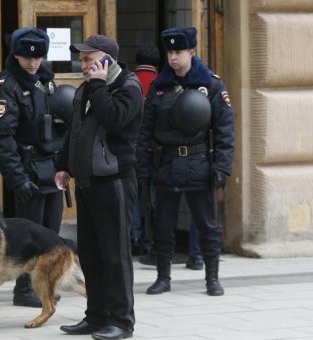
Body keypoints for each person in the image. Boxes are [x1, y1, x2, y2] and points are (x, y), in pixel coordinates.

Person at [136, 27, 235, 297]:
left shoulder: (211, 85)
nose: (173, 58)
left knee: (207, 225)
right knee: (163, 225)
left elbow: (225, 130)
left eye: (178, 52)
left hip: (199, 163)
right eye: (169, 52)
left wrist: (222, 167)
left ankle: (212, 278)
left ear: (191, 52)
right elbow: (145, 131)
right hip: (166, 164)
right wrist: (143, 168)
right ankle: (163, 277)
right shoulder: (159, 87)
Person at [55, 34, 142, 340]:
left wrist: (100, 85)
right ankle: (96, 317)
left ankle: (121, 321)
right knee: (91, 255)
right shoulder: (86, 90)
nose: (84, 65)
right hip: (87, 183)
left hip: (115, 182)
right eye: (82, 60)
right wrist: (63, 165)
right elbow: (75, 132)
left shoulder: (128, 88)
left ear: (107, 61)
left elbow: (114, 119)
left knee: (114, 255)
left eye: (90, 60)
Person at [0, 27, 69, 308]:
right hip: (27, 170)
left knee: (50, 232)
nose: (33, 64)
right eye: (26, 59)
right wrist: (16, 177)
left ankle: (43, 283)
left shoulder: (46, 80)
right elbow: (1, 138)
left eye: (38, 59)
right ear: (16, 55)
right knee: (27, 234)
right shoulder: (5, 85)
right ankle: (24, 290)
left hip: (51, 168)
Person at [130, 43, 161, 256]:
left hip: (130, 148)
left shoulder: (129, 81)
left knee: (133, 196)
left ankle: (135, 236)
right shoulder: (161, 83)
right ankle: (156, 238)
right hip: (155, 150)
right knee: (154, 196)